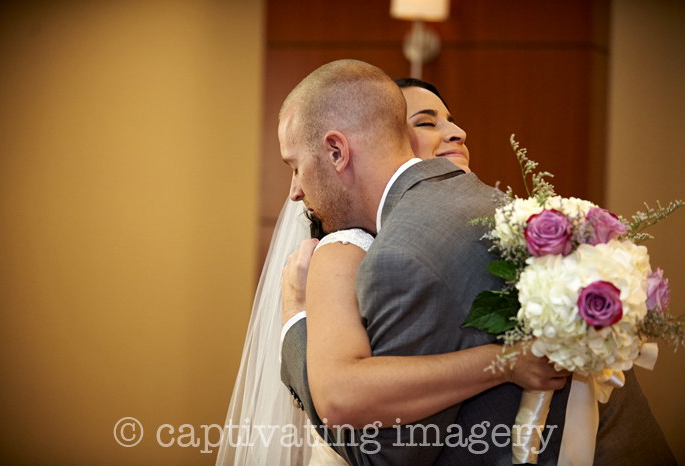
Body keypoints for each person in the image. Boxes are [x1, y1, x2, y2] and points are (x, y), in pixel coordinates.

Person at [278, 61, 676, 465]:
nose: (295, 190)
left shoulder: (400, 257)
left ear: (337, 150)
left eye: (295, 166)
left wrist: (295, 317)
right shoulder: (505, 208)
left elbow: (382, 456)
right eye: (426, 122)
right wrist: (503, 365)